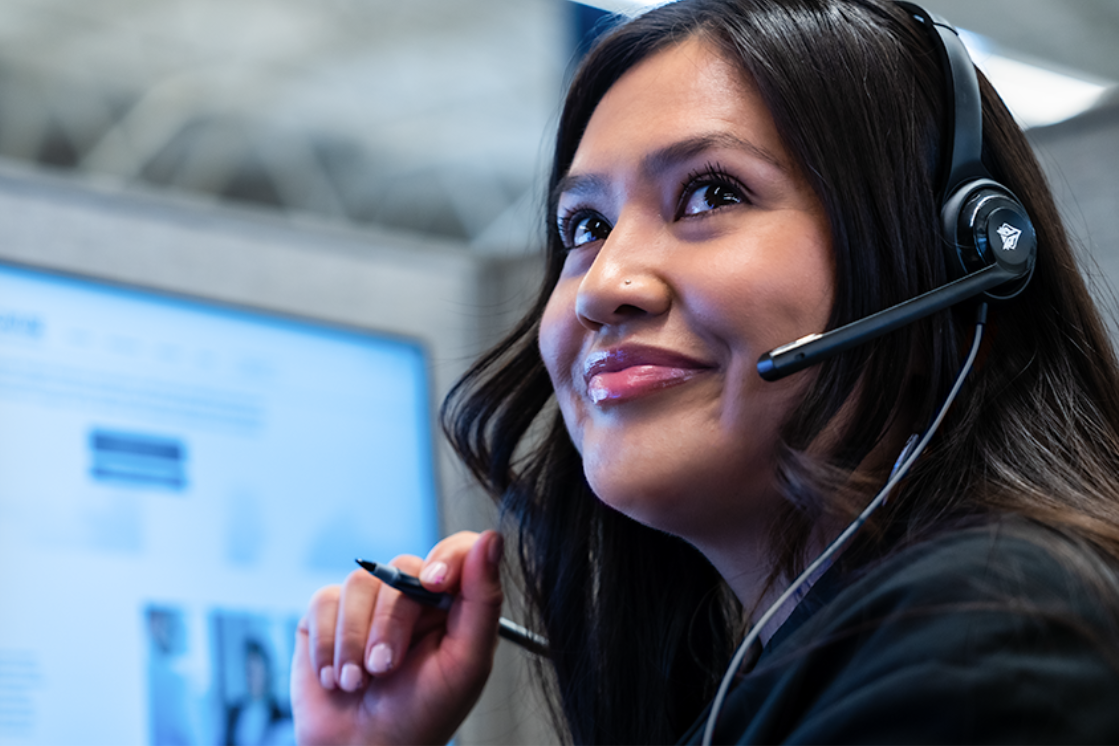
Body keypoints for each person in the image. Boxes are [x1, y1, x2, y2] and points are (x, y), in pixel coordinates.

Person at [290, 0, 1119, 743]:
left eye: (708, 194)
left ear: (947, 259)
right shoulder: (776, 677)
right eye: (583, 225)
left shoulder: (993, 639)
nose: (603, 286)